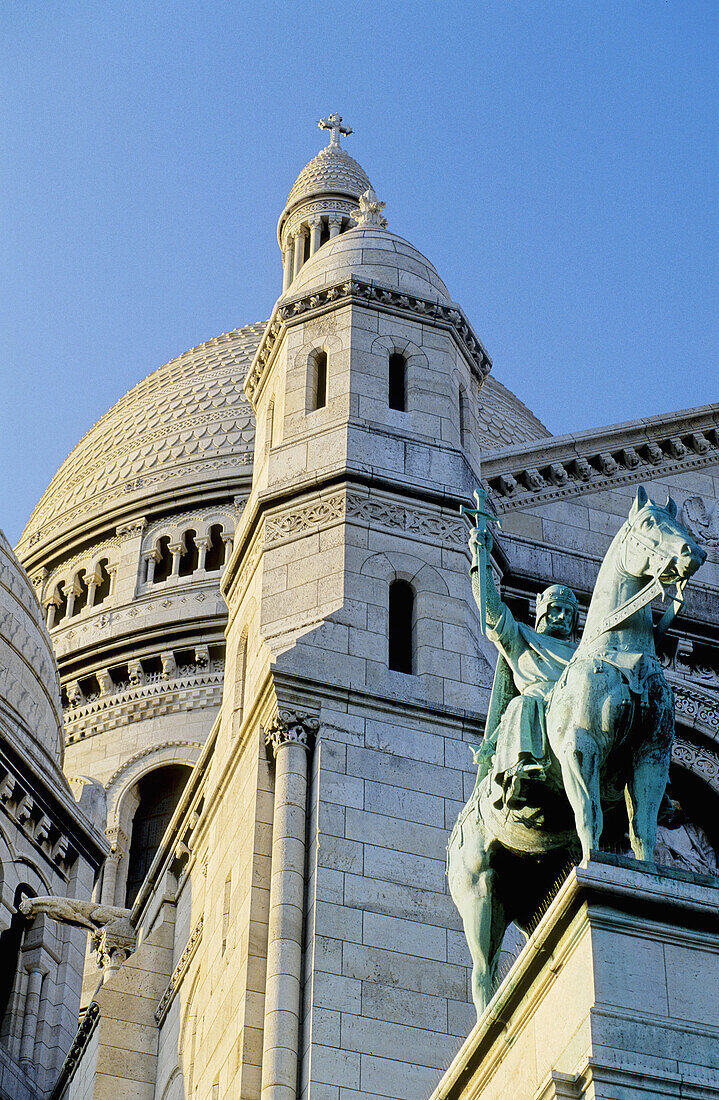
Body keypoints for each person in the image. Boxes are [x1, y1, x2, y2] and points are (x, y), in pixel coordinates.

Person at [469, 525, 579, 810]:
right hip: (538, 704)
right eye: (556, 609)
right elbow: (491, 612)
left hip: (577, 711)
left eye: (569, 613)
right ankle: (521, 769)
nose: (563, 616)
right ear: (543, 612)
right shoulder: (521, 636)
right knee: (523, 703)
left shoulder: (584, 652)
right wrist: (480, 560)